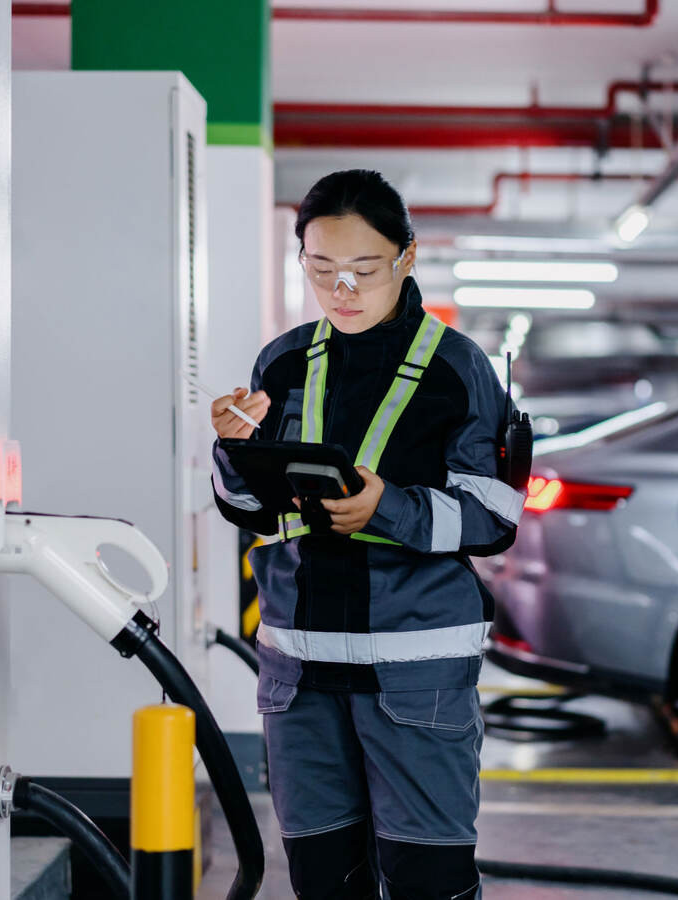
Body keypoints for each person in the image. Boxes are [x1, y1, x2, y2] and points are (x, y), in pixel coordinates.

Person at [210, 169, 523, 899]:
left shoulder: (458, 369)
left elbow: (493, 517)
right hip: (300, 679)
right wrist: (232, 452)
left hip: (414, 679)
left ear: (406, 258)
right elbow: (252, 511)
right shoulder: (283, 362)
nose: (341, 289)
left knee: (426, 884)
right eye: (320, 269)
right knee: (324, 883)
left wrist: (388, 508)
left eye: (362, 269)